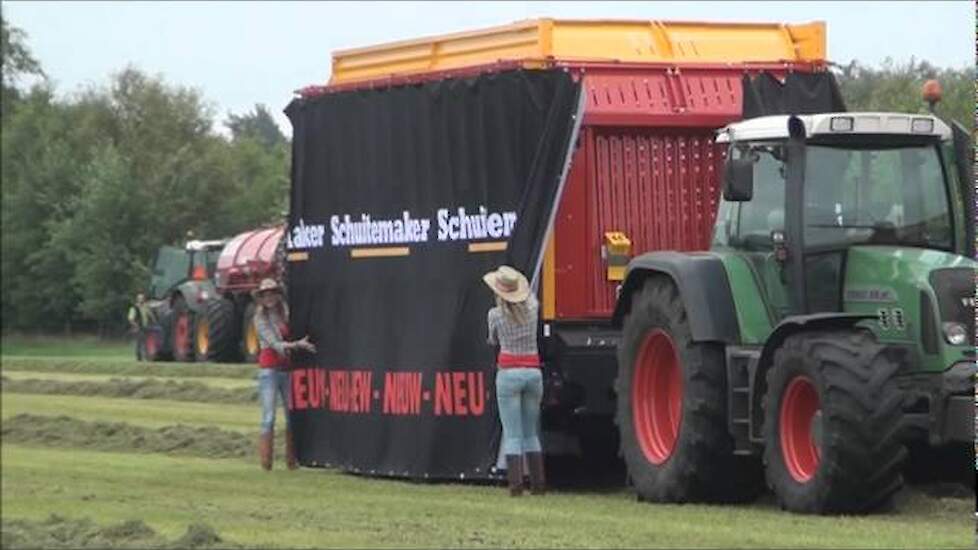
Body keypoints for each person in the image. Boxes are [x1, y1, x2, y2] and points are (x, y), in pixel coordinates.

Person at [483, 265, 545, 496]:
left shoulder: (495, 315)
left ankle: (516, 485)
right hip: (533, 371)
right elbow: (530, 299)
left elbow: (492, 340)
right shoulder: (534, 309)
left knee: (513, 433)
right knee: (530, 432)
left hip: (508, 373)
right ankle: (538, 484)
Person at [252, 278, 316, 471]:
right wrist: (298, 345)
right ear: (261, 298)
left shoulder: (284, 312)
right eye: (266, 294)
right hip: (269, 370)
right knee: (269, 416)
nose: (270, 297)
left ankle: (291, 461)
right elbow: (275, 345)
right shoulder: (259, 318)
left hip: (286, 369)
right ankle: (266, 463)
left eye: (272, 293)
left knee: (291, 415)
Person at [127, 293, 157, 360]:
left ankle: (145, 356)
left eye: (142, 298)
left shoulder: (145, 307)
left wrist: (154, 321)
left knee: (144, 342)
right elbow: (130, 319)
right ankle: (139, 357)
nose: (142, 300)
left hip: (145, 327)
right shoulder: (134, 308)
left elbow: (150, 315)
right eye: (140, 298)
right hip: (138, 327)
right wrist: (135, 325)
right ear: (137, 299)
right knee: (139, 342)